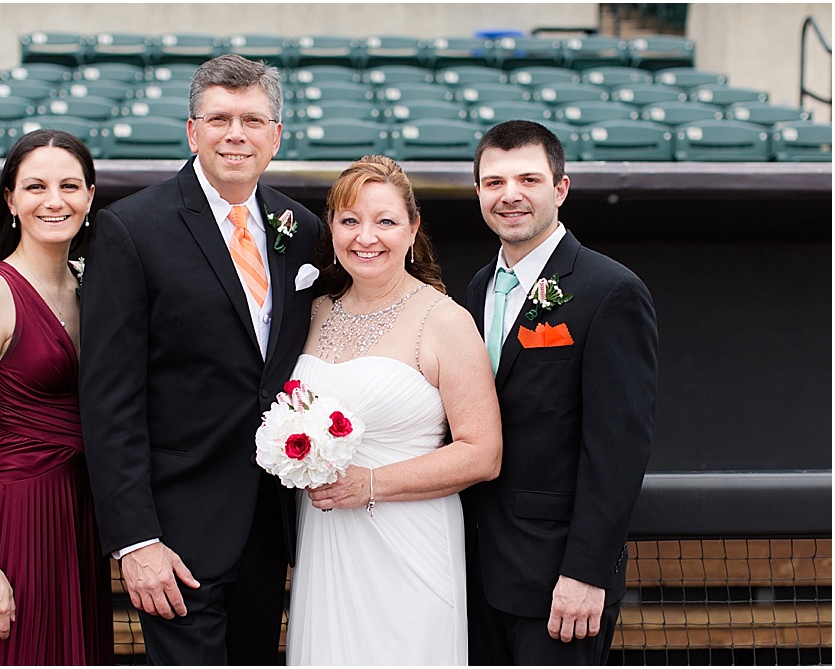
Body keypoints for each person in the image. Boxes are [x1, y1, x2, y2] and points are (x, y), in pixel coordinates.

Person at [78, 54, 322, 665]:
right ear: (192, 131)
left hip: (275, 527)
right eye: (218, 119)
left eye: (251, 120)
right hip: (177, 535)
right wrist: (136, 540)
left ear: (276, 136)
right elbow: (111, 399)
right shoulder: (130, 229)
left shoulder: (305, 229)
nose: (235, 133)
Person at [285, 155, 503, 665]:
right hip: (326, 539)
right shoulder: (314, 311)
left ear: (412, 229)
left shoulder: (444, 320)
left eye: (385, 221)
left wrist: (371, 484)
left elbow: (483, 452)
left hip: (410, 542)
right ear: (332, 228)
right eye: (350, 220)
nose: (367, 237)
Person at [462, 120, 658, 665]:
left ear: (561, 189)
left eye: (528, 178)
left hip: (558, 581)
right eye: (495, 182)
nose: (511, 195)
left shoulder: (611, 290)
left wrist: (585, 573)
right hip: (477, 569)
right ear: (478, 192)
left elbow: (618, 447)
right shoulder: (478, 288)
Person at [0, 129, 113, 665]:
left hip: (78, 519)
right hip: (13, 519)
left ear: (90, 195)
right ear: (11, 200)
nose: (54, 200)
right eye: (35, 186)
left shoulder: (94, 289)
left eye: (69, 185)